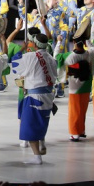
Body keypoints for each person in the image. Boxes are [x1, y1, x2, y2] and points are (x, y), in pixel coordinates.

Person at [11, 28, 57, 164]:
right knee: (41, 122)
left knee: (29, 126)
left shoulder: (30, 56)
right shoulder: (51, 58)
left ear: (35, 44)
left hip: (34, 96)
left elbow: (15, 64)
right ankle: (42, 142)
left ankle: (37, 157)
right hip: (48, 95)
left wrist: (22, 49)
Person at [54, 22, 94, 142]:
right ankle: (81, 130)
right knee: (82, 110)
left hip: (75, 87)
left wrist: (59, 42)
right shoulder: (89, 54)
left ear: (74, 43)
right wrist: (88, 41)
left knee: (74, 111)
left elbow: (56, 56)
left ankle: (74, 133)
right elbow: (93, 48)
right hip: (86, 85)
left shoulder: (70, 56)